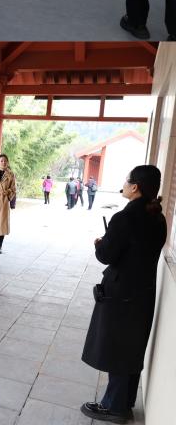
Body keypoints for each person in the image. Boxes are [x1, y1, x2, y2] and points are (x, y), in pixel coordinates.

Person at [81, 165, 167, 423]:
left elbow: (106, 255)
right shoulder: (159, 218)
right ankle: (125, 401)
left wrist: (100, 244)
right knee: (132, 348)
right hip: (144, 292)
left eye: (127, 180)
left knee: (116, 348)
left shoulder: (124, 218)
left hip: (120, 294)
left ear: (135, 187)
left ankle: (113, 407)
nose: (124, 184)